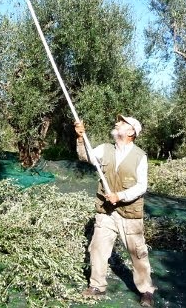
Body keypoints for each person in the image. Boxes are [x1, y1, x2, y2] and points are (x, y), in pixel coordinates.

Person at [75, 115, 156, 307]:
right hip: (106, 211)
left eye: (122, 122)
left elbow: (141, 186)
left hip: (129, 213)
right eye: (118, 121)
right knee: (98, 248)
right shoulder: (105, 148)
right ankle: (97, 287)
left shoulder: (140, 156)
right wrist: (80, 138)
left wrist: (120, 196)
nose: (117, 122)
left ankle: (146, 291)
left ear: (131, 132)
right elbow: (87, 156)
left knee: (137, 253)